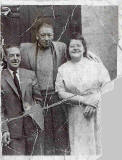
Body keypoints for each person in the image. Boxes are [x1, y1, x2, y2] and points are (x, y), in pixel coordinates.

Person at [20, 18, 101, 155]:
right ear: (37, 35)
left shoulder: (61, 47)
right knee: (41, 137)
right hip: (37, 99)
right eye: (43, 35)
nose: (46, 38)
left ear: (54, 35)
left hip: (57, 98)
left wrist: (89, 55)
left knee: (60, 136)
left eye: (50, 35)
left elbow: (77, 52)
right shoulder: (26, 49)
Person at [55, 33, 111, 158]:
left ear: (84, 48)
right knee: (79, 148)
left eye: (78, 46)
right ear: (68, 50)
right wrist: (85, 100)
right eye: (72, 46)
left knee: (97, 145)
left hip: (96, 110)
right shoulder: (63, 69)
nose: (75, 48)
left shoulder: (96, 65)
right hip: (76, 113)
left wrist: (95, 100)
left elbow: (108, 85)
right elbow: (61, 92)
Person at [1, 44, 43, 155]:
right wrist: (4, 130)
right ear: (5, 58)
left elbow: (39, 100)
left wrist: (33, 111)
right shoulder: (1, 77)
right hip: (13, 131)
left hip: (32, 128)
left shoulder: (30, 74)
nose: (15, 58)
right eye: (11, 56)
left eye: (18, 55)